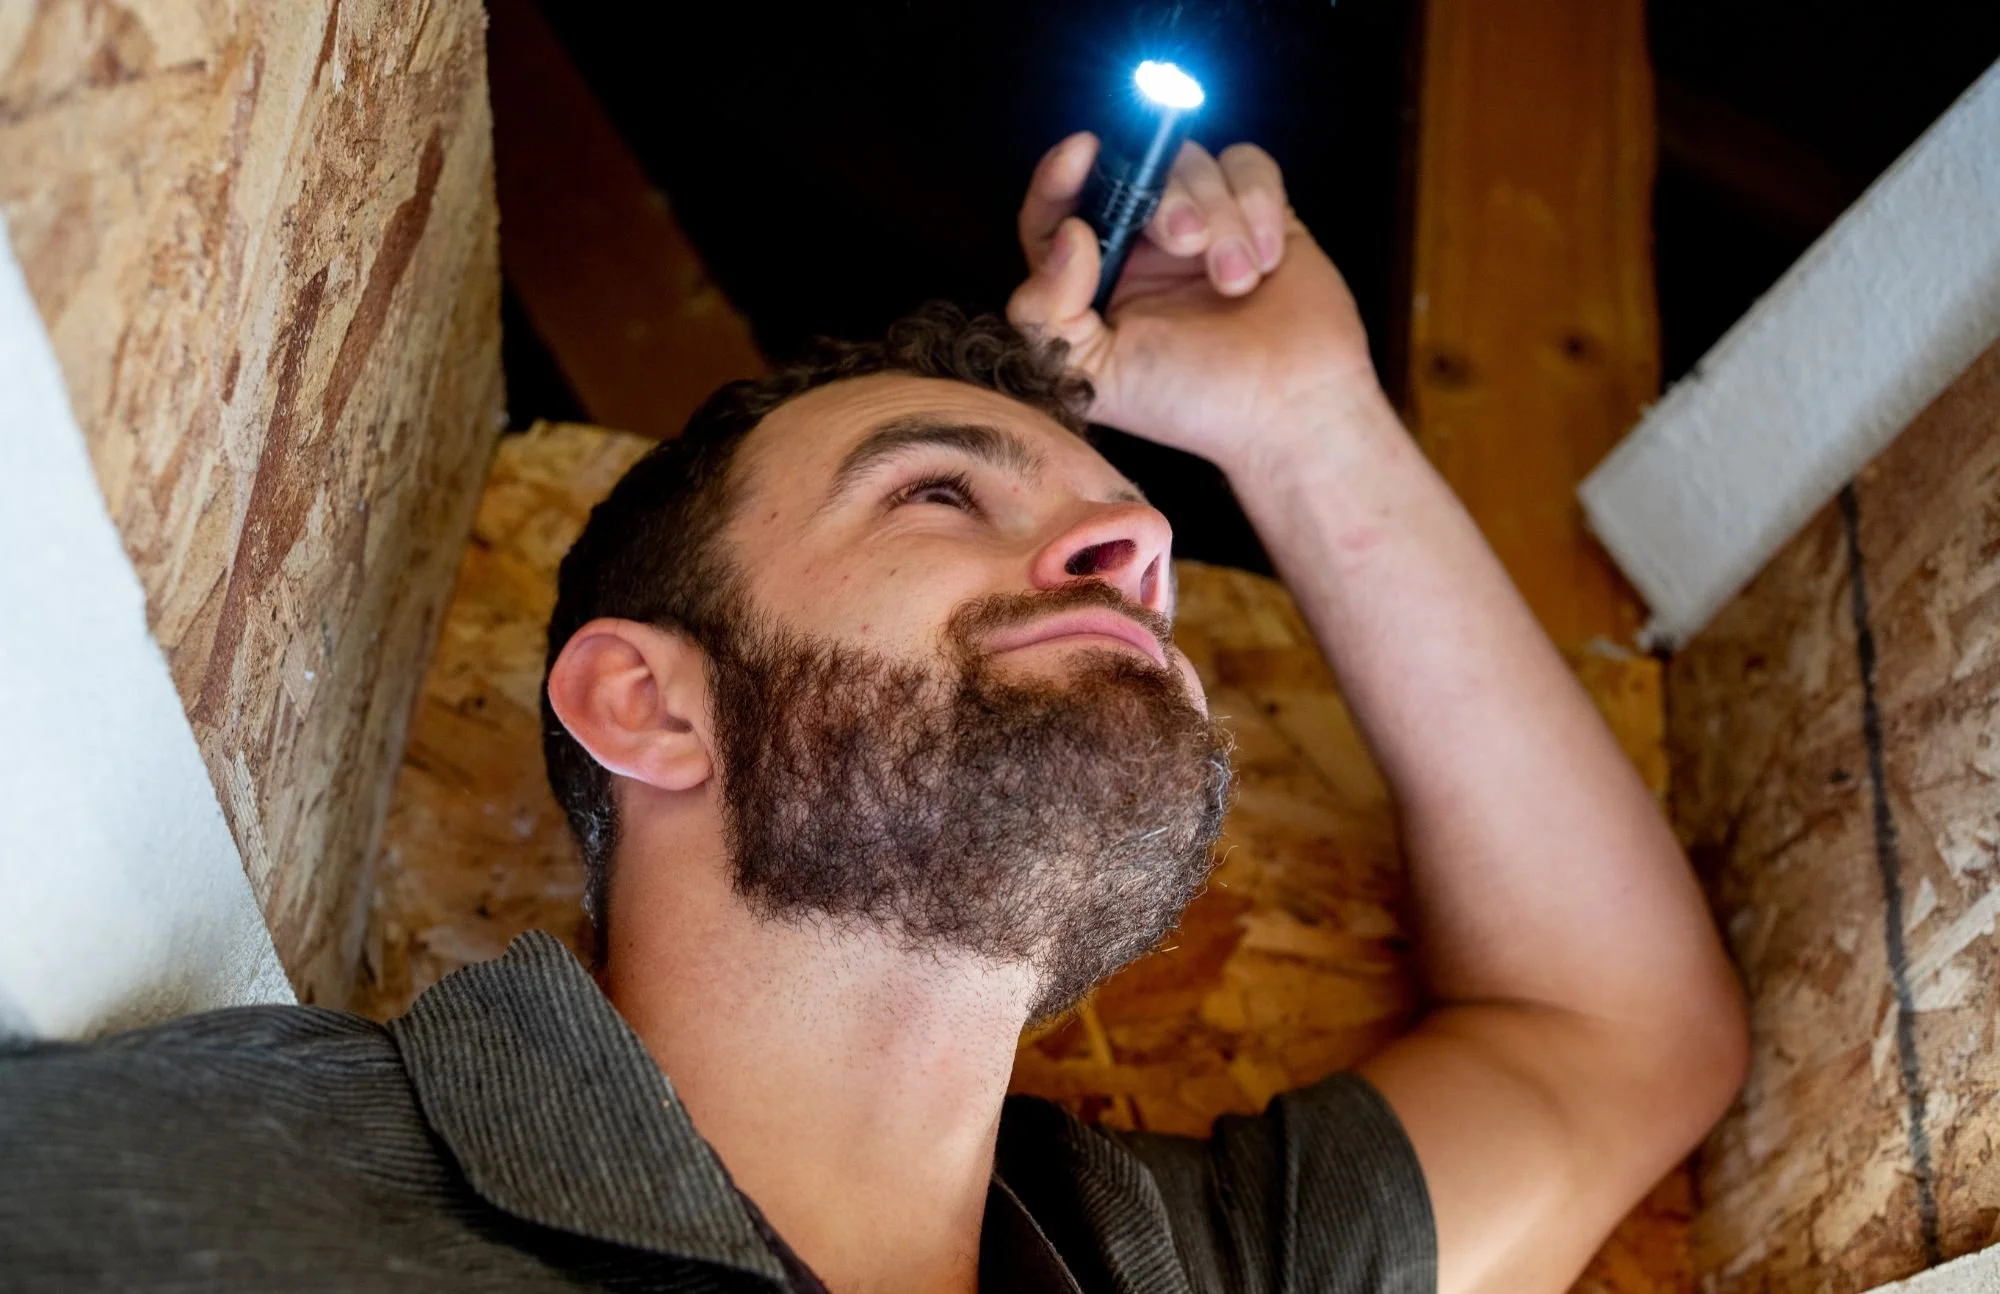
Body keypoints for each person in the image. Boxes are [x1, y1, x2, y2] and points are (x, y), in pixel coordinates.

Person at [0, 135, 1747, 1293]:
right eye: (932, 493)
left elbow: (1620, 1035)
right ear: (647, 701)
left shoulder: (1162, 1268)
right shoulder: (232, 1193)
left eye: (1136, 563)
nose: (1136, 542)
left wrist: (1311, 424)